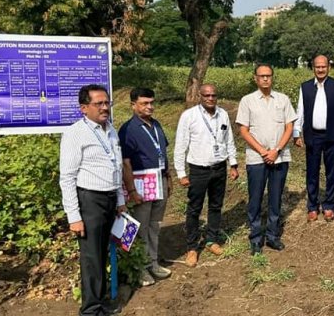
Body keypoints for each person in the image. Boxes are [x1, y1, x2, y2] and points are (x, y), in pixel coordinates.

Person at [59, 84, 125, 316]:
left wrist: (119, 200)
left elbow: (116, 166)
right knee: (91, 258)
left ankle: (98, 303)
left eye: (107, 102)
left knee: (102, 254)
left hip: (108, 199)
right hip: (90, 201)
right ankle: (88, 314)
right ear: (84, 108)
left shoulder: (110, 131)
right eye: (99, 104)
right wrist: (74, 217)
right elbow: (67, 177)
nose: (105, 107)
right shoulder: (76, 134)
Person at [174, 83, 238, 267]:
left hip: (219, 168)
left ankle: (212, 240)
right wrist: (181, 172)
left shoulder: (223, 114)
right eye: (206, 95)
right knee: (194, 208)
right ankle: (192, 247)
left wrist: (233, 164)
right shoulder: (189, 116)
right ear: (200, 97)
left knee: (216, 206)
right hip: (198, 169)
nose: (210, 98)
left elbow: (229, 140)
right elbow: (180, 146)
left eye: (213, 95)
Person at [236, 64, 297, 254]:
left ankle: (272, 236)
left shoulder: (283, 99)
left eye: (268, 76)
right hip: (256, 158)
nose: (265, 79)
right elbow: (243, 130)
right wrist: (263, 151)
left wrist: (276, 150)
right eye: (261, 76)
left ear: (272, 77)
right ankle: (255, 237)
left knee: (275, 197)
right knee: (255, 198)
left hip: (279, 156)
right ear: (255, 78)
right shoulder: (247, 101)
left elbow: (289, 127)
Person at [119, 87, 173, 286]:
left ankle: (152, 262)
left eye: (151, 102)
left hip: (159, 180)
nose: (149, 107)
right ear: (133, 105)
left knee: (155, 225)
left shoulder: (156, 125)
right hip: (140, 183)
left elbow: (163, 154)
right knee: (139, 226)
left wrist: (169, 178)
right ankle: (139, 268)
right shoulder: (127, 129)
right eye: (144, 103)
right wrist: (132, 190)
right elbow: (126, 163)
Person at [293, 54, 334, 222]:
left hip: (331, 134)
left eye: (323, 66)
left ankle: (329, 205)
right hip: (312, 135)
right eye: (317, 66)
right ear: (313, 68)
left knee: (331, 172)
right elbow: (300, 111)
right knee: (312, 172)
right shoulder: (305, 87)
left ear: (328, 67)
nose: (320, 69)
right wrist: (297, 132)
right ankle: (312, 206)